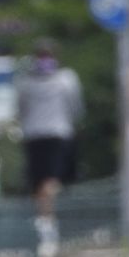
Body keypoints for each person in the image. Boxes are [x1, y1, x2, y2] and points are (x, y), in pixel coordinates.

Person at [18, 39, 86, 208]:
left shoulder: (25, 82)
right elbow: (76, 108)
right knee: (52, 179)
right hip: (58, 133)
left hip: (34, 134)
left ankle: (45, 215)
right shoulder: (67, 79)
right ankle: (48, 215)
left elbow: (20, 109)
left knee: (40, 180)